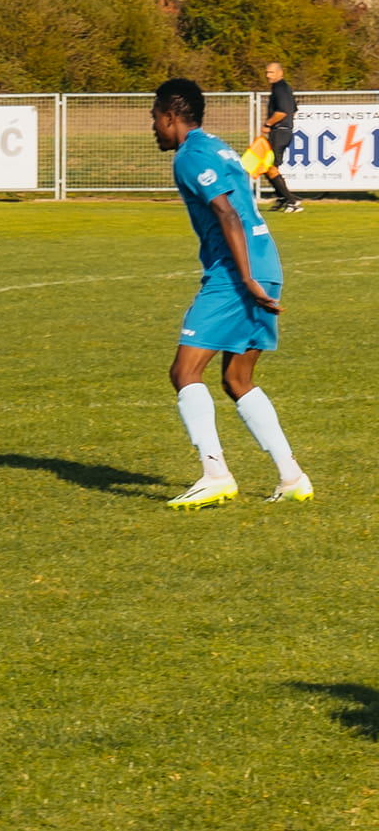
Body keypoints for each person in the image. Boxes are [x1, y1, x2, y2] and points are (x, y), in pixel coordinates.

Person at [151, 78, 312, 509]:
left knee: (184, 372)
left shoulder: (190, 156)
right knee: (238, 379)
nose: (153, 129)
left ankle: (214, 473)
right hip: (267, 262)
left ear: (171, 116)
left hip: (237, 274)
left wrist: (245, 278)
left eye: (155, 119)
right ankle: (292, 475)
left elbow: (226, 213)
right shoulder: (219, 147)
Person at [260, 61, 302, 213]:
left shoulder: (280, 89)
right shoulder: (283, 88)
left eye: (271, 72)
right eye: (267, 72)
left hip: (280, 131)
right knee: (268, 166)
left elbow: (283, 112)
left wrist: (268, 124)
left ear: (280, 73)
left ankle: (292, 201)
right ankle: (282, 197)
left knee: (270, 167)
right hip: (283, 131)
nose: (268, 75)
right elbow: (293, 110)